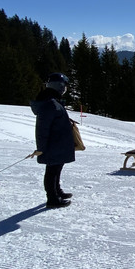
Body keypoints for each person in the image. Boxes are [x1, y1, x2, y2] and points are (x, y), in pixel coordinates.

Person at [30, 73, 75, 208]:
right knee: (52, 171)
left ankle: (57, 192)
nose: (65, 90)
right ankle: (52, 198)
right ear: (59, 86)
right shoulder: (49, 103)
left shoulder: (53, 101)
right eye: (64, 87)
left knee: (57, 169)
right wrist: (41, 148)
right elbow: (42, 128)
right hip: (53, 144)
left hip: (58, 143)